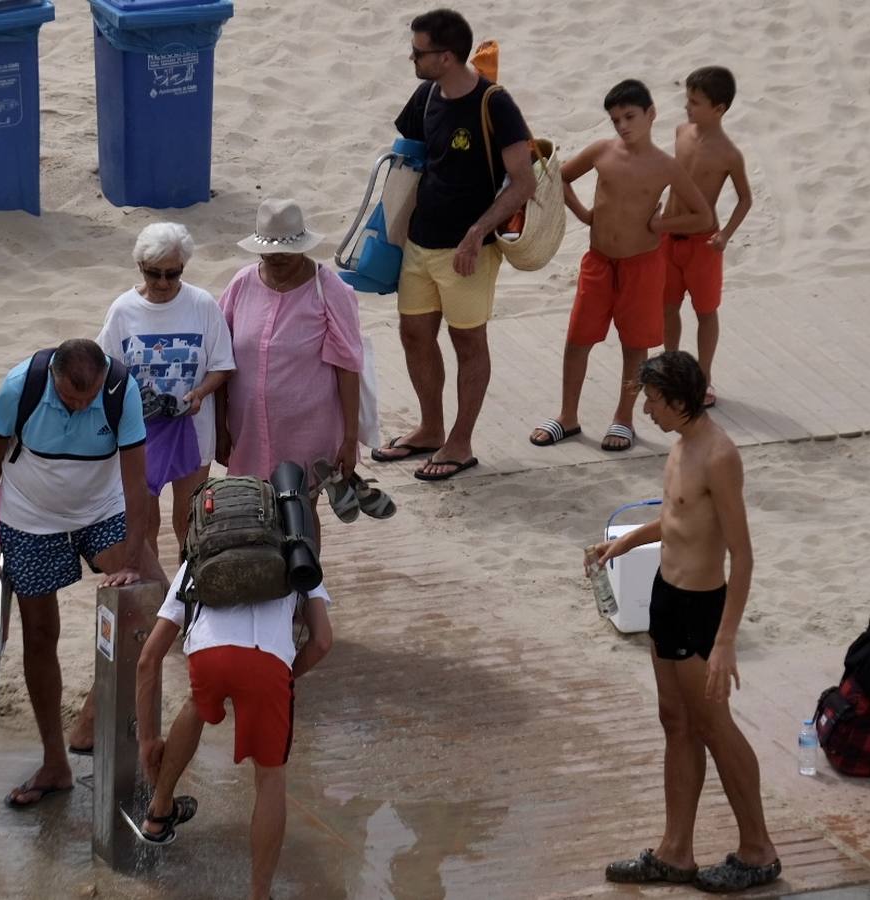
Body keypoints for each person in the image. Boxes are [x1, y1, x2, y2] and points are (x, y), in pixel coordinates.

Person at [595, 351, 780, 893]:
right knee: (674, 722)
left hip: (702, 612)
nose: (644, 409)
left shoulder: (719, 456)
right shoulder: (681, 446)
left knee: (713, 726)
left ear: (677, 400)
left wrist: (725, 641)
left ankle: (758, 851)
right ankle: (676, 853)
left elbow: (742, 555)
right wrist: (627, 539)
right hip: (665, 599)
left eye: (651, 399)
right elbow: (678, 517)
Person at [0, 338, 167, 807]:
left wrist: (137, 553)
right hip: (31, 519)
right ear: (54, 380)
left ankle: (140, 745)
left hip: (102, 512)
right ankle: (55, 763)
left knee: (151, 601)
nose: (80, 407)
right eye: (69, 400)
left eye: (88, 399)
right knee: (40, 636)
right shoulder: (21, 387)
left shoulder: (121, 390)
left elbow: (135, 478)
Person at [373, 8, 535, 481]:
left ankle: (460, 442)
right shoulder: (426, 95)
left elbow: (522, 182)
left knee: (468, 341)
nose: (412, 58)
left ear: (446, 56)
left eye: (419, 52)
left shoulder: (495, 104)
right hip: (420, 242)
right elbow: (413, 156)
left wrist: (477, 232)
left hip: (469, 251)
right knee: (414, 334)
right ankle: (430, 428)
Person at [530, 79, 713, 452]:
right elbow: (558, 176)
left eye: (630, 116)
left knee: (635, 346)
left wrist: (661, 225)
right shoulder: (602, 151)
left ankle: (624, 417)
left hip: (642, 267)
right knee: (577, 340)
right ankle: (568, 416)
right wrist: (582, 213)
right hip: (598, 263)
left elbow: (702, 215)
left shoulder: (666, 167)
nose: (623, 125)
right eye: (616, 120)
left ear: (651, 114)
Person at [135, 561, 333, 900]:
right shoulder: (295, 546)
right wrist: (284, 676)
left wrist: (148, 739)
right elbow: (322, 642)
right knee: (270, 777)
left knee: (197, 702)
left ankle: (158, 812)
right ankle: (259, 894)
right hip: (266, 662)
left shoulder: (201, 550)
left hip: (207, 656)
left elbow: (148, 659)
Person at [216, 198, 363, 549]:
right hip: (248, 428)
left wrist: (350, 438)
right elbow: (220, 360)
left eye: (285, 254)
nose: (277, 262)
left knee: (299, 512)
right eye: (269, 255)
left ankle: (305, 592)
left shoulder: (328, 290)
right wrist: (220, 429)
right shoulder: (241, 285)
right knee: (253, 509)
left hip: (308, 429)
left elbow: (348, 366)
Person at [97, 223, 235, 556]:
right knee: (143, 522)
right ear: (139, 267)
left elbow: (222, 364)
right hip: (139, 432)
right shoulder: (122, 310)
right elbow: (106, 369)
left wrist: (201, 392)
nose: (162, 283)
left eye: (172, 274)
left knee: (190, 520)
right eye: (153, 273)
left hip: (192, 429)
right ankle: (154, 594)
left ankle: (190, 593)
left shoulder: (201, 305)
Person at [661, 66, 753, 408]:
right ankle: (670, 369)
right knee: (667, 307)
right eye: (687, 99)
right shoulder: (680, 132)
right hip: (669, 237)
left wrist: (726, 234)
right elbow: (671, 176)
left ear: (719, 108)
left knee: (705, 312)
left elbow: (745, 198)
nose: (687, 107)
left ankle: (704, 377)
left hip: (703, 243)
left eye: (695, 102)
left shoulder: (729, 153)